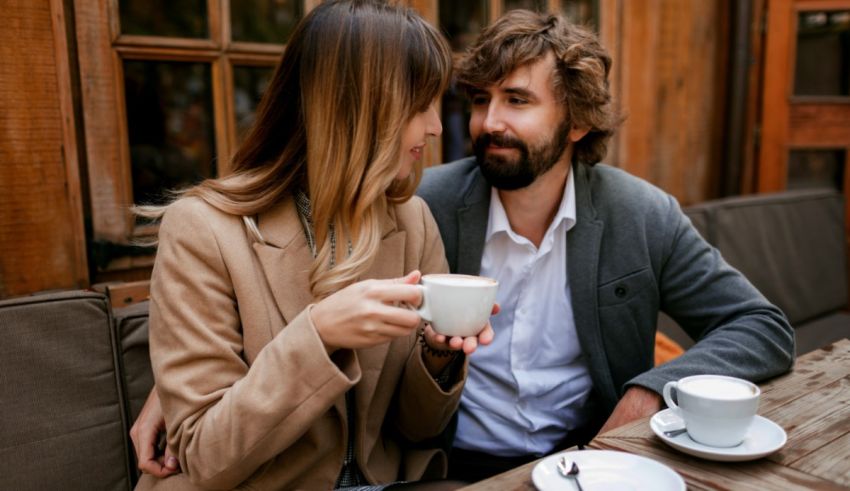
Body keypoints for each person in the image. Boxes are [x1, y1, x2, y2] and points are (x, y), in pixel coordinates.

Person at [414, 10, 794, 481]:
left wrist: (654, 388)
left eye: (516, 100)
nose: (489, 122)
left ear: (576, 122)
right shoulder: (424, 204)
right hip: (449, 468)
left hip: (590, 468)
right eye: (479, 100)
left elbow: (761, 326)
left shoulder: (642, 215)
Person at [131, 1, 494, 489]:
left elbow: (418, 428)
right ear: (362, 108)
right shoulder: (202, 230)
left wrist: (437, 353)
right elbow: (206, 457)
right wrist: (319, 334)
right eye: (420, 104)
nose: (434, 126)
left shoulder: (412, 220)